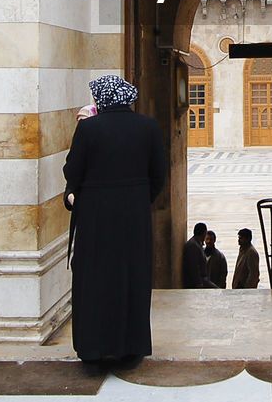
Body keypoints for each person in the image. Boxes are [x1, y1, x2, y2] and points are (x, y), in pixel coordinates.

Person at [63, 75, 167, 372]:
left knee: (95, 278)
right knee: (131, 276)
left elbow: (73, 169)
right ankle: (131, 348)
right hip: (134, 216)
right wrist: (137, 199)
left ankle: (94, 348)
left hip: (96, 216)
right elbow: (159, 173)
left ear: (102, 99)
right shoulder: (147, 127)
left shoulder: (89, 128)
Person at [182, 221, 213, 288]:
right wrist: (199, 285)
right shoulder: (193, 245)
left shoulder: (196, 244)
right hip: (197, 283)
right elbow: (194, 267)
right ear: (204, 233)